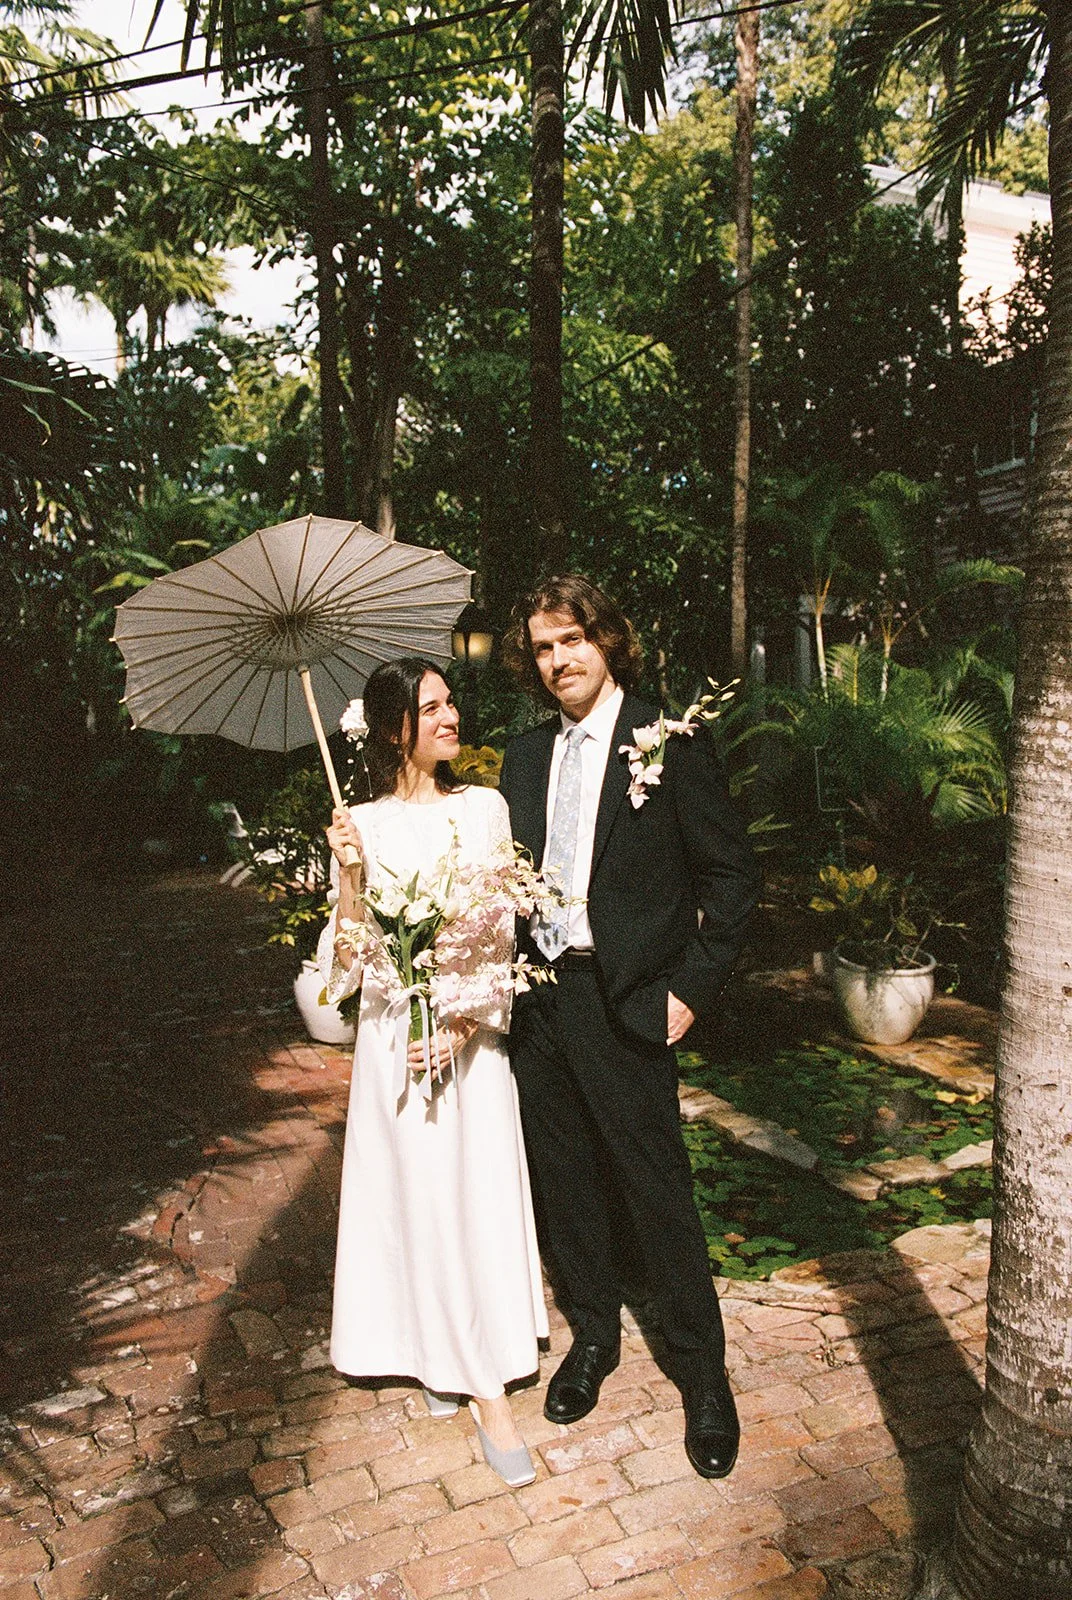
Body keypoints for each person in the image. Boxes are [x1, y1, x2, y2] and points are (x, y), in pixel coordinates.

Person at [499, 575, 760, 1479]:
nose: (558, 659)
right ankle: (595, 1341)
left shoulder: (668, 738)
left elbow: (731, 879)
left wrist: (688, 989)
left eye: (571, 639)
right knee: (565, 1181)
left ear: (606, 639)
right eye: (542, 646)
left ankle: (704, 1378)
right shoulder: (524, 757)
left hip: (629, 1003)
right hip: (541, 1002)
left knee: (656, 1190)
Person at [318, 657, 547, 1487]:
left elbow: (498, 931)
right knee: (420, 1198)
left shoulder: (484, 808)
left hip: (466, 1040)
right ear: (392, 730)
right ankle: (449, 1360)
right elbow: (345, 967)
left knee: (469, 1196)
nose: (452, 716)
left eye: (452, 701)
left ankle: (481, 1376)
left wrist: (457, 1025)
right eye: (433, 707)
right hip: (393, 1046)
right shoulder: (361, 825)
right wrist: (347, 878)